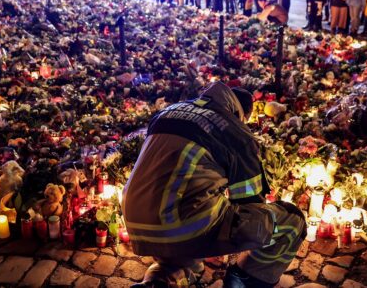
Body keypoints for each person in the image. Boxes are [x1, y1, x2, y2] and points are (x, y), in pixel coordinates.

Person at [123, 82, 305, 288]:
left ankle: (156, 283)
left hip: (137, 221)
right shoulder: (236, 131)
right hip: (184, 222)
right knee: (292, 221)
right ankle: (244, 282)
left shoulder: (167, 112)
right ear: (241, 115)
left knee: (188, 257)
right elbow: (251, 206)